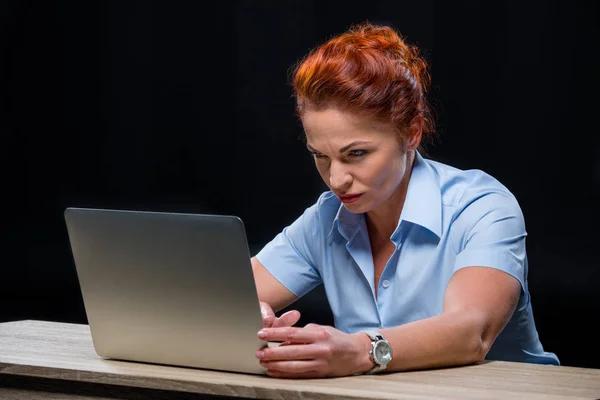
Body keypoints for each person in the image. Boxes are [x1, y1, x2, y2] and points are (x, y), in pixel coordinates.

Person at [250, 22, 559, 378]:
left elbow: (471, 333)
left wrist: (361, 349)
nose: (336, 180)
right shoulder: (326, 218)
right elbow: (217, 297)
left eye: (356, 153)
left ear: (411, 133)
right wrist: (247, 313)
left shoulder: (481, 207)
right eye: (320, 155)